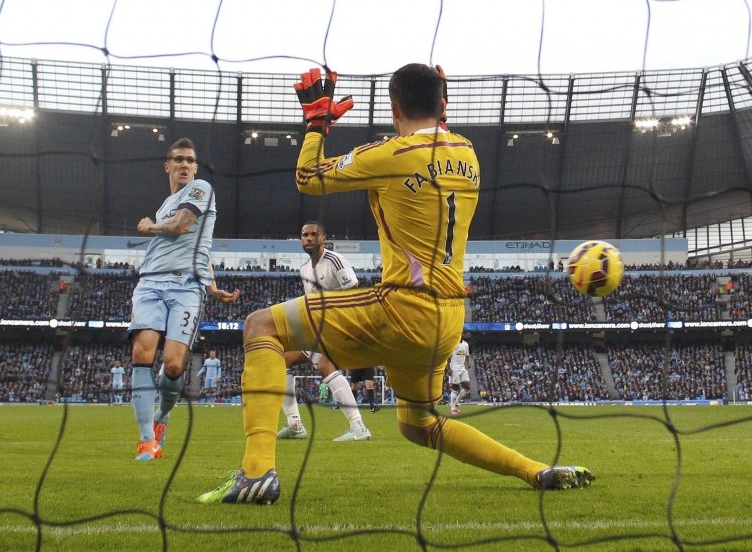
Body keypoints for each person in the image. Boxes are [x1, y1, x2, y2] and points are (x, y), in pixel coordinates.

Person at [198, 64, 593, 504]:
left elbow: (307, 177)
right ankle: (535, 470)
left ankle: (255, 474)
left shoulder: (391, 154)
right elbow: (434, 149)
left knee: (259, 326)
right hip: (448, 321)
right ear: (443, 105)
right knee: (418, 425)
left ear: (394, 107)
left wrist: (316, 124)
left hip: (403, 306)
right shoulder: (469, 152)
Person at [128, 137, 239, 462]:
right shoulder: (167, 202)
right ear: (168, 166)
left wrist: (149, 228)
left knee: (174, 364)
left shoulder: (201, 189)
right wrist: (214, 284)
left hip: (185, 288)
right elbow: (201, 249)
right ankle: (146, 440)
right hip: (149, 283)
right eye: (178, 160)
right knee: (142, 350)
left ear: (195, 167)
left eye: (190, 160)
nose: (185, 165)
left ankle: (162, 417)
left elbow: (182, 227)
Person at [276, 221, 372, 442]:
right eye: (304, 235)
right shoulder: (304, 269)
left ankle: (358, 427)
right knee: (285, 360)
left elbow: (354, 294)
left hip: (340, 325)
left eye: (313, 234)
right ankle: (295, 424)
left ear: (323, 237)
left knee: (321, 364)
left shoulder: (335, 260)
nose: (308, 238)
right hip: (318, 327)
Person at [447, 336, 471, 415]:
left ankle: (456, 402)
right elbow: (448, 358)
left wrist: (468, 363)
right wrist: (449, 369)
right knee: (455, 388)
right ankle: (452, 408)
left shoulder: (465, 344)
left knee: (467, 387)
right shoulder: (453, 344)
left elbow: (467, 355)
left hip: (462, 368)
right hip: (454, 368)